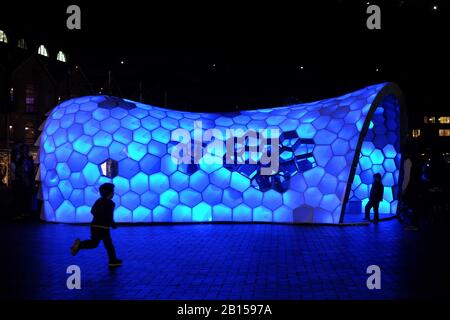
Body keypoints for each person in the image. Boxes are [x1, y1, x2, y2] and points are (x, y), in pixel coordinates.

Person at [70, 183, 123, 267]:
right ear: (109, 193)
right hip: (104, 228)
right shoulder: (111, 203)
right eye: (113, 192)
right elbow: (109, 216)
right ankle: (112, 261)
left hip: (94, 226)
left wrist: (99, 216)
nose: (113, 193)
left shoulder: (98, 201)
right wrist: (113, 224)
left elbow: (92, 211)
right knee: (109, 245)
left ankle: (80, 245)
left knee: (94, 243)